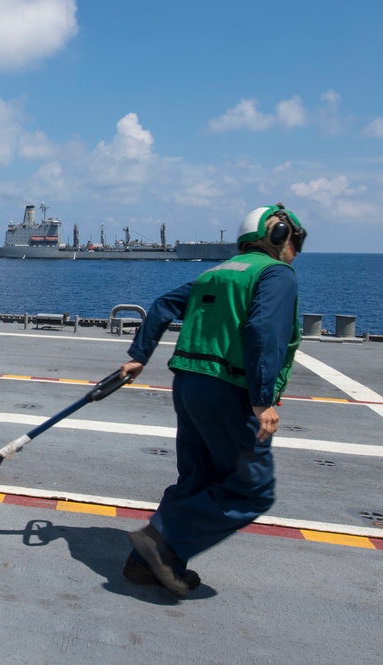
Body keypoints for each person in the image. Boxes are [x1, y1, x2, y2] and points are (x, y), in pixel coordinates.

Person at [118, 203, 306, 597]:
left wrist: (138, 356)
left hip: (188, 386)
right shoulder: (276, 274)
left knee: (198, 478)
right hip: (229, 391)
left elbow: (162, 305)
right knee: (252, 489)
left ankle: (145, 565)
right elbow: (262, 333)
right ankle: (158, 545)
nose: (296, 250)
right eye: (295, 240)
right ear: (277, 236)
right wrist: (261, 399)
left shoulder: (214, 272)